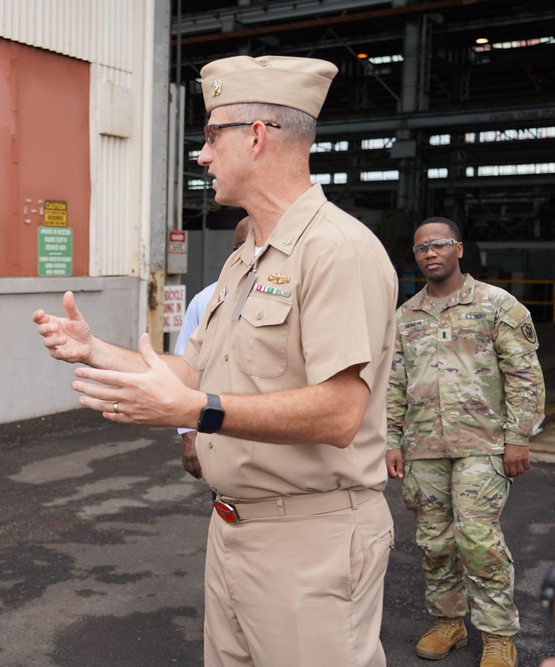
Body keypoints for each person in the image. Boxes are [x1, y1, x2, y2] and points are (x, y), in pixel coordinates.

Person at [33, 55, 398, 667]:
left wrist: (197, 413)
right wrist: (98, 351)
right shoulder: (245, 259)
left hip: (311, 540)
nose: (200, 155)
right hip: (233, 529)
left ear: (257, 136)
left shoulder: (337, 251)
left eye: (210, 134)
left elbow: (340, 414)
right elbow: (194, 373)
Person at [385, 216, 544, 667]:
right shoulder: (406, 316)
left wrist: (519, 438)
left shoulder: (497, 305)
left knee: (476, 537)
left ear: (459, 249)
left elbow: (524, 377)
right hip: (423, 448)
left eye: (438, 244)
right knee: (434, 541)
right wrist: (391, 440)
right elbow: (395, 385)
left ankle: (497, 634)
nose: (429, 253)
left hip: (484, 444)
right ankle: (448, 622)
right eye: (420, 248)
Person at [174, 216, 251, 479]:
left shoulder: (297, 298)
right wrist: (188, 435)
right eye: (237, 246)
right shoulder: (206, 300)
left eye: (252, 244)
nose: (243, 253)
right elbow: (186, 370)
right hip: (218, 436)